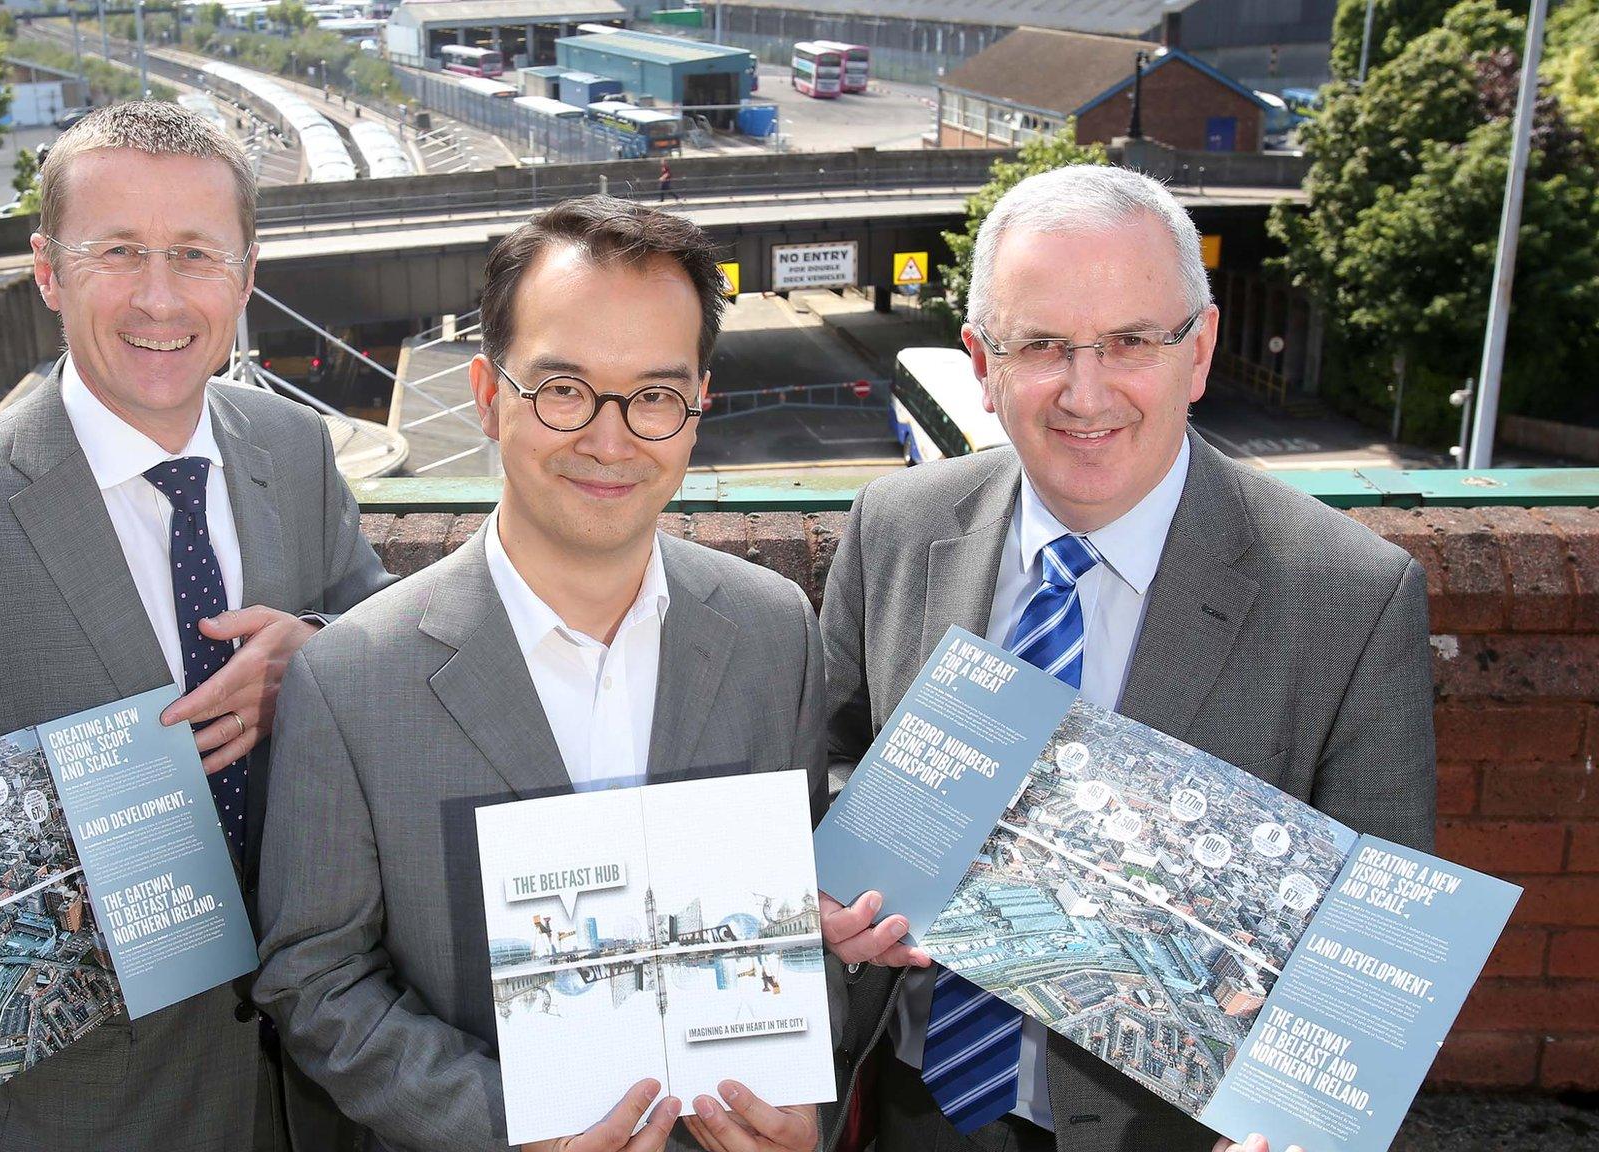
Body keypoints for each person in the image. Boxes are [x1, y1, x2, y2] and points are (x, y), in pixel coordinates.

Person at [815, 165, 1433, 1152]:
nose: (1084, 390)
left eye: (1131, 341)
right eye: (1041, 346)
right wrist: (834, 882)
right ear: (981, 360)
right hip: (917, 1111)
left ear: (1199, 350)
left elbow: (1378, 949)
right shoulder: (895, 525)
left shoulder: (1352, 596)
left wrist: (1313, 1122)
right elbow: (831, 763)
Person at [0, 101, 392, 1152]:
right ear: (48, 270)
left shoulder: (297, 449)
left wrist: (316, 657)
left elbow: (378, 652)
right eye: (117, 252)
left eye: (194, 254)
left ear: (246, 271)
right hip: (98, 1111)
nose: (158, 297)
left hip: (325, 1085)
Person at [253, 196, 832, 1152]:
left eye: (654, 395)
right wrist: (508, 1127)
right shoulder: (352, 677)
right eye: (563, 389)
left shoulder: (775, 634)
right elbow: (315, 980)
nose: (611, 440)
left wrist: (804, 1093)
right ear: (487, 393)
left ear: (697, 409)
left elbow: (809, 927)